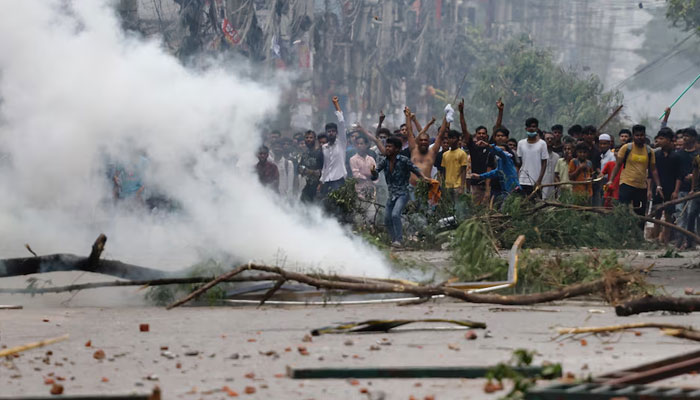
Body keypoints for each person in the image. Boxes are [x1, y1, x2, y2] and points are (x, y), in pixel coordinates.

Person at [371, 136, 427, 247]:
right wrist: (373, 172)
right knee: (387, 218)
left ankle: (399, 240)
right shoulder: (384, 162)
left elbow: (416, 170)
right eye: (386, 146)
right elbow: (375, 174)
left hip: (403, 193)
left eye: (390, 147)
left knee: (395, 214)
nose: (387, 149)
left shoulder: (403, 160)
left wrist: (424, 178)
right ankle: (394, 240)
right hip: (391, 194)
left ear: (397, 149)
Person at [607, 125, 663, 223]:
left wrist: (658, 186)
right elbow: (618, 165)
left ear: (644, 136)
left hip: (641, 186)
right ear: (633, 136)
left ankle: (639, 236)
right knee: (622, 211)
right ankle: (621, 234)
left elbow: (653, 170)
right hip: (626, 184)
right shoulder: (626, 148)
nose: (639, 137)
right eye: (637, 135)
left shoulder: (649, 151)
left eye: (641, 135)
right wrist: (611, 180)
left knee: (640, 214)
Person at [458, 98, 496, 205]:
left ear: (487, 135)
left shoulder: (490, 147)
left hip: (490, 183)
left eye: (483, 133)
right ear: (476, 135)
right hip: (476, 184)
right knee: (476, 209)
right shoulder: (473, 147)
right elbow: (464, 129)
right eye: (479, 133)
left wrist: (500, 111)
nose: (481, 135)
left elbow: (497, 128)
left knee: (490, 209)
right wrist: (461, 113)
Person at [649, 128, 681, 244]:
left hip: (671, 189)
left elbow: (679, 175)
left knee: (668, 216)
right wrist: (650, 189)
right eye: (658, 139)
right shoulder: (656, 155)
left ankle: (665, 240)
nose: (659, 141)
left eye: (662, 139)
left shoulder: (676, 156)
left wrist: (676, 191)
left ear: (669, 140)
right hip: (658, 188)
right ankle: (655, 239)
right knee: (656, 214)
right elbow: (651, 173)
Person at [471, 127, 521, 202]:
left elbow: (500, 153)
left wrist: (488, 145)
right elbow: (495, 172)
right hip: (501, 189)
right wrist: (480, 176)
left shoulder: (507, 158)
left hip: (512, 190)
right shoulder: (500, 163)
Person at [405, 106, 443, 188]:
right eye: (421, 140)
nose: (423, 142)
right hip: (412, 187)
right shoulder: (413, 149)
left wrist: (447, 118)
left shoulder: (432, 151)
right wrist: (407, 117)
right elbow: (409, 132)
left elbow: (441, 135)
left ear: (429, 141)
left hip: (427, 187)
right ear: (418, 141)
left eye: (425, 140)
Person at [320, 96, 348, 197]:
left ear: (336, 133)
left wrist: (336, 105)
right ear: (326, 133)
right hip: (326, 181)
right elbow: (325, 166)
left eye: (333, 131)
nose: (331, 133)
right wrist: (321, 181)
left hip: (338, 180)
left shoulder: (341, 143)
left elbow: (341, 123)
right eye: (329, 131)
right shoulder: (324, 147)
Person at [677, 128, 700, 249]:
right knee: (688, 216)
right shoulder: (695, 158)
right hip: (692, 191)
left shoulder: (697, 154)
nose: (684, 138)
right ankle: (686, 242)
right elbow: (695, 173)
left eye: (687, 136)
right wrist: (693, 188)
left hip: (696, 192)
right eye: (683, 136)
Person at [517, 117, 549, 198]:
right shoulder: (521, 143)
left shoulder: (542, 144)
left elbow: (544, 163)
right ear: (526, 128)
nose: (531, 129)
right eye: (529, 127)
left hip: (535, 181)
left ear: (537, 128)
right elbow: (520, 163)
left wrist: (539, 180)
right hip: (522, 180)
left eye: (534, 126)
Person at [441, 130, 469, 198]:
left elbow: (463, 171)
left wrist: (462, 187)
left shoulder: (462, 153)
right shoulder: (445, 154)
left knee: (458, 207)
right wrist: (443, 185)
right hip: (448, 186)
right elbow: (443, 171)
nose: (451, 140)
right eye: (449, 138)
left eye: (453, 138)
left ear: (457, 139)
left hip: (458, 186)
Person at [298, 130, 324, 203]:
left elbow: (324, 171)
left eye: (311, 137)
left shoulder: (320, 153)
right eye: (307, 137)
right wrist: (302, 170)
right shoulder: (305, 154)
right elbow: (300, 168)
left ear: (315, 139)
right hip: (307, 187)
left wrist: (309, 171)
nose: (308, 139)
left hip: (319, 188)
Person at [542, 132, 560, 199]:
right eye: (547, 139)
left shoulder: (557, 156)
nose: (549, 140)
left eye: (551, 139)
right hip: (541, 185)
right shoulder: (539, 155)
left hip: (552, 186)